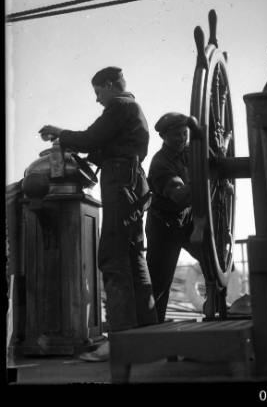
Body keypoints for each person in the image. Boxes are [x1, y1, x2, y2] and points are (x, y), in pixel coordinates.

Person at [39, 66, 158, 360]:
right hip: (132, 185)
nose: (97, 100)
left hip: (120, 183)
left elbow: (92, 138)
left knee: (111, 256)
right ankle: (148, 337)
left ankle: (119, 342)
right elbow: (103, 146)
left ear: (109, 85)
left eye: (98, 92)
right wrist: (86, 156)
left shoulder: (120, 105)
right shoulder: (132, 110)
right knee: (133, 257)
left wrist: (59, 134)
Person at [145, 112, 200, 323]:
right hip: (163, 227)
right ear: (164, 137)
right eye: (176, 135)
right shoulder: (160, 164)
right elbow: (179, 196)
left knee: (215, 260)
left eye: (185, 134)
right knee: (159, 284)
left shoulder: (187, 152)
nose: (182, 139)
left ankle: (219, 304)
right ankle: (152, 328)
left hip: (186, 221)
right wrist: (204, 175)